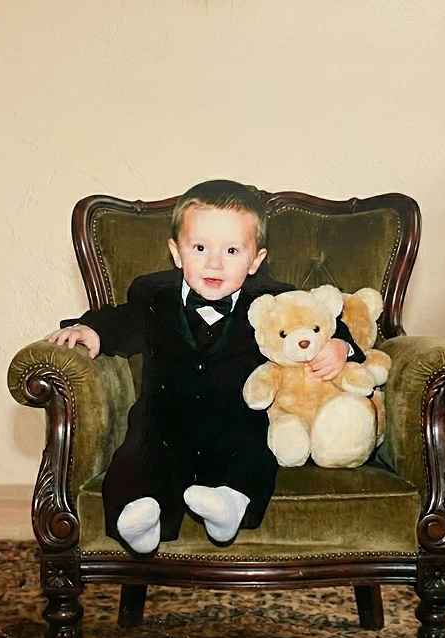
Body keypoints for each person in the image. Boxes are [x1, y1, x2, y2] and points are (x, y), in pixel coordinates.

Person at [45, 179, 364, 557]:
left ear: (255, 260)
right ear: (176, 253)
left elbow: (320, 321)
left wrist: (341, 346)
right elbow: (121, 320)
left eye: (232, 250)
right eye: (199, 248)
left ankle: (230, 504)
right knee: (136, 456)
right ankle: (139, 516)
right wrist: (90, 329)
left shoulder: (274, 300)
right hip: (164, 418)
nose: (214, 263)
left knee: (253, 453)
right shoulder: (154, 294)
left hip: (238, 416)